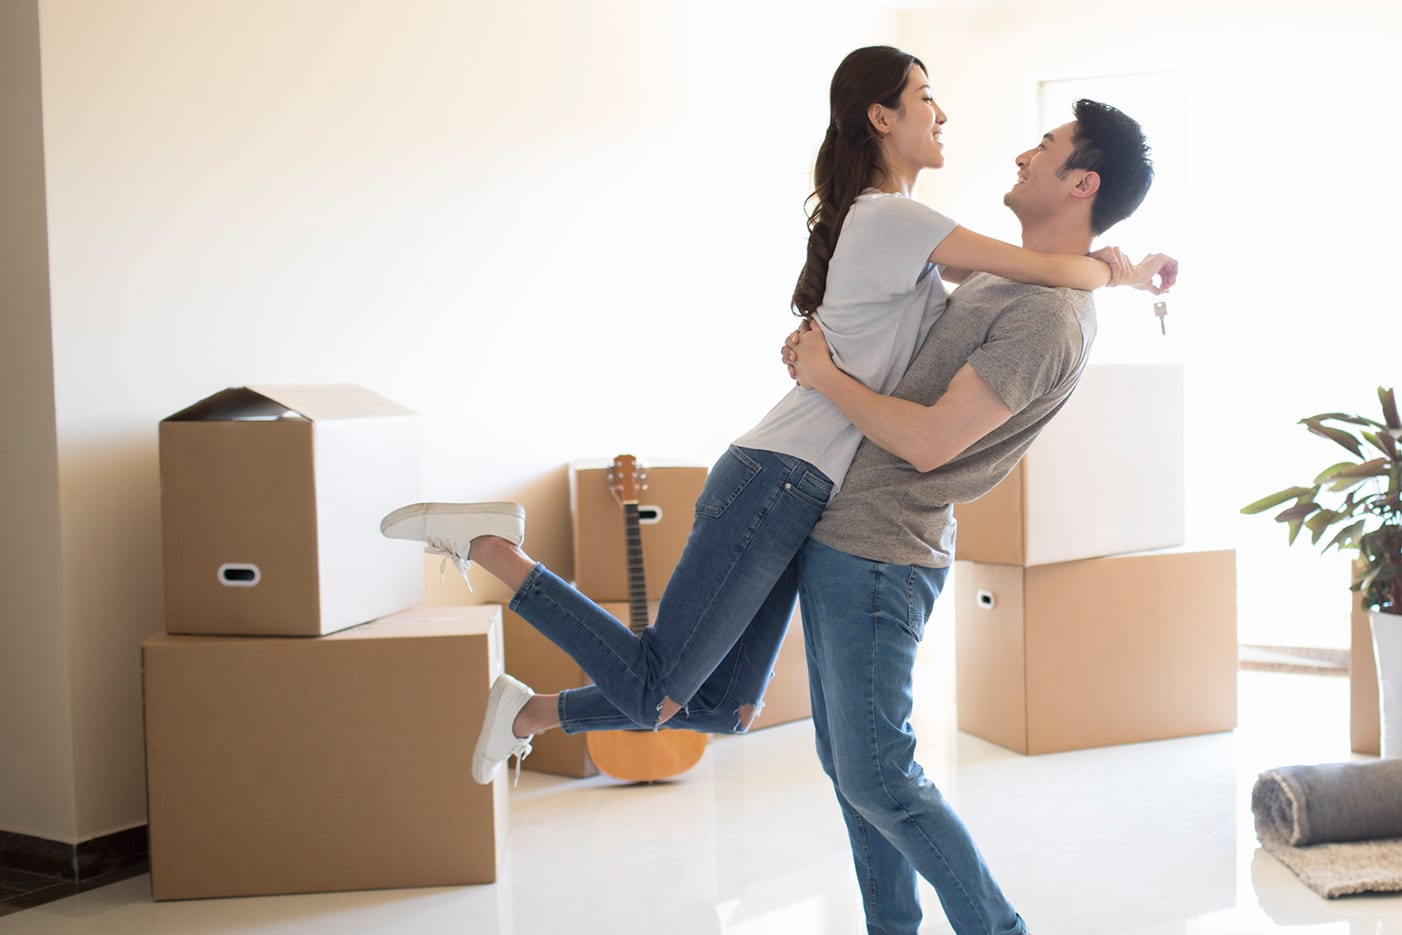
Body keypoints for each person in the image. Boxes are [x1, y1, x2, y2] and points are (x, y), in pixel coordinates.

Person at [376, 46, 1168, 785]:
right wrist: (1120, 274)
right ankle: (487, 545)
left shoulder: (915, 238)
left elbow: (1042, 279)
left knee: (726, 706)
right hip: (779, 476)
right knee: (657, 687)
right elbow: (1047, 267)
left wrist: (1122, 271)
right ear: (882, 118)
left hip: (807, 491)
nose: (943, 113)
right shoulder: (893, 219)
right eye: (925, 97)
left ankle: (531, 710)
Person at [775, 98, 1168, 935]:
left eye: (1048, 147)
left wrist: (823, 376)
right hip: (846, 538)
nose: (1023, 151)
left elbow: (925, 442)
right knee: (853, 771)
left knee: (881, 774)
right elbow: (939, 256)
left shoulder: (1047, 318)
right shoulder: (1014, 280)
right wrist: (1128, 265)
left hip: (885, 547)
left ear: (1083, 183)